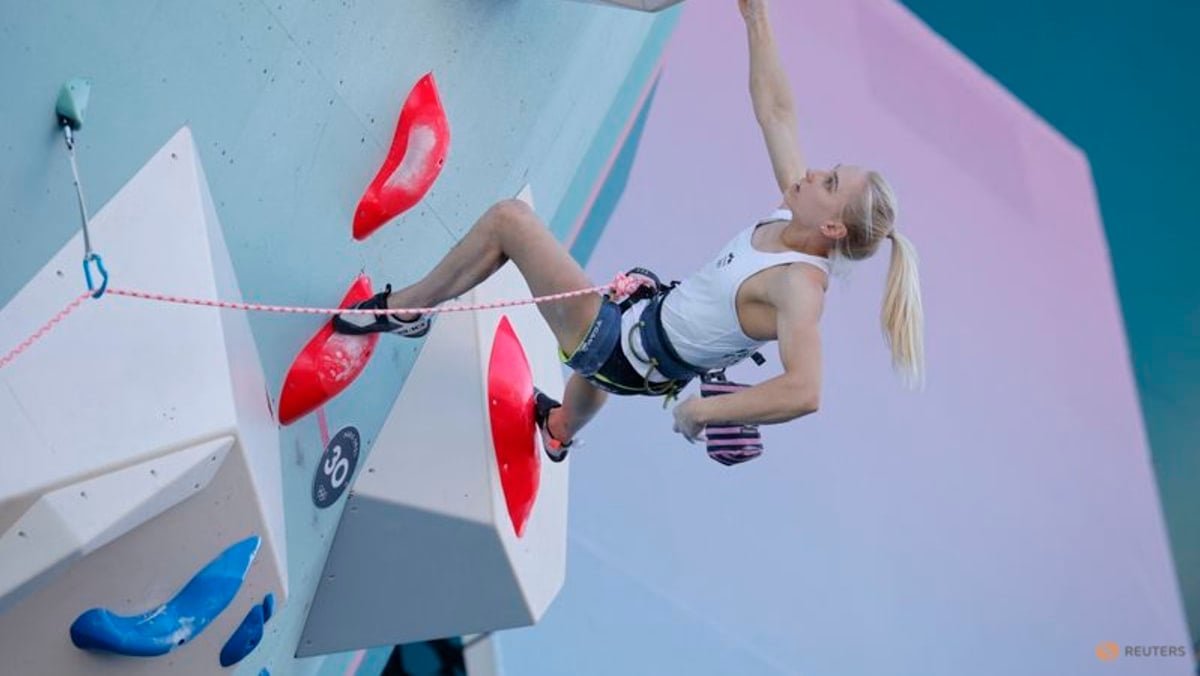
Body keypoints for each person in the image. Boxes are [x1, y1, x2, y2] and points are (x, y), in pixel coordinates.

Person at [333, 0, 924, 463]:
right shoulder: (795, 214)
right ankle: (560, 430)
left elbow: (805, 391)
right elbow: (776, 111)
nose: (816, 172)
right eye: (830, 169)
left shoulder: (800, 288)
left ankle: (403, 312)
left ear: (831, 227)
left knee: (509, 224)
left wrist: (705, 416)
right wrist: (758, 15)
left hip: (625, 346)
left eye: (830, 182)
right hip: (649, 338)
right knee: (610, 347)